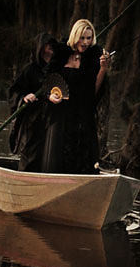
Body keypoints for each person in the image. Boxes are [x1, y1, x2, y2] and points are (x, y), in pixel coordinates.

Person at [41, 18, 111, 174]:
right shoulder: (61, 54)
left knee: (82, 159)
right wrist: (50, 95)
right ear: (74, 36)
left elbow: (95, 91)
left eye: (89, 38)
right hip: (60, 116)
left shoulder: (94, 58)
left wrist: (103, 69)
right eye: (82, 37)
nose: (85, 42)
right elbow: (48, 81)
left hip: (81, 116)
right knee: (57, 160)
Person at [8, 32, 58, 171]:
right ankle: (24, 179)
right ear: (40, 48)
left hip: (51, 119)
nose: (51, 49)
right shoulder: (30, 70)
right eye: (48, 46)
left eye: (52, 46)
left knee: (49, 154)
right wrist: (24, 97)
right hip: (33, 121)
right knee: (31, 153)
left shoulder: (56, 69)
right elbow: (14, 91)